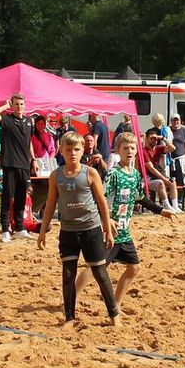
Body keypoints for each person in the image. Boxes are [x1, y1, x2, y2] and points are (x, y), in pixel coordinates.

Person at [77, 132, 176, 310]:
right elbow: (99, 198)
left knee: (134, 267)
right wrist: (107, 221)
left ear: (136, 151)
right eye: (125, 148)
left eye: (132, 148)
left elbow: (141, 198)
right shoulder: (113, 174)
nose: (129, 151)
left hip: (124, 232)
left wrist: (161, 210)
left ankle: (116, 304)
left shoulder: (135, 175)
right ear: (118, 151)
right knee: (95, 269)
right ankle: (71, 299)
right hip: (110, 231)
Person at [35, 131, 119, 326]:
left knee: (99, 272)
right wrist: (42, 230)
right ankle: (70, 318)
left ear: (83, 151)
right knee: (68, 274)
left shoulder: (90, 173)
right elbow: (50, 204)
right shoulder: (56, 175)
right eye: (68, 149)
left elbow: (102, 203)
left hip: (91, 229)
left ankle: (114, 315)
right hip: (68, 232)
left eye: (76, 149)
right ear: (61, 151)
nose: (72, 153)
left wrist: (107, 229)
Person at [0, 94, 36, 243]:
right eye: (16, 104)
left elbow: (28, 142)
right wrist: (5, 106)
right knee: (8, 196)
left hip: (24, 164)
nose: (19, 107)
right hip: (9, 163)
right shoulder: (7, 120)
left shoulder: (29, 121)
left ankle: (20, 228)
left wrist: (33, 159)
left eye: (21, 104)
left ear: (25, 105)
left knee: (22, 196)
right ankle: (5, 229)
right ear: (12, 105)